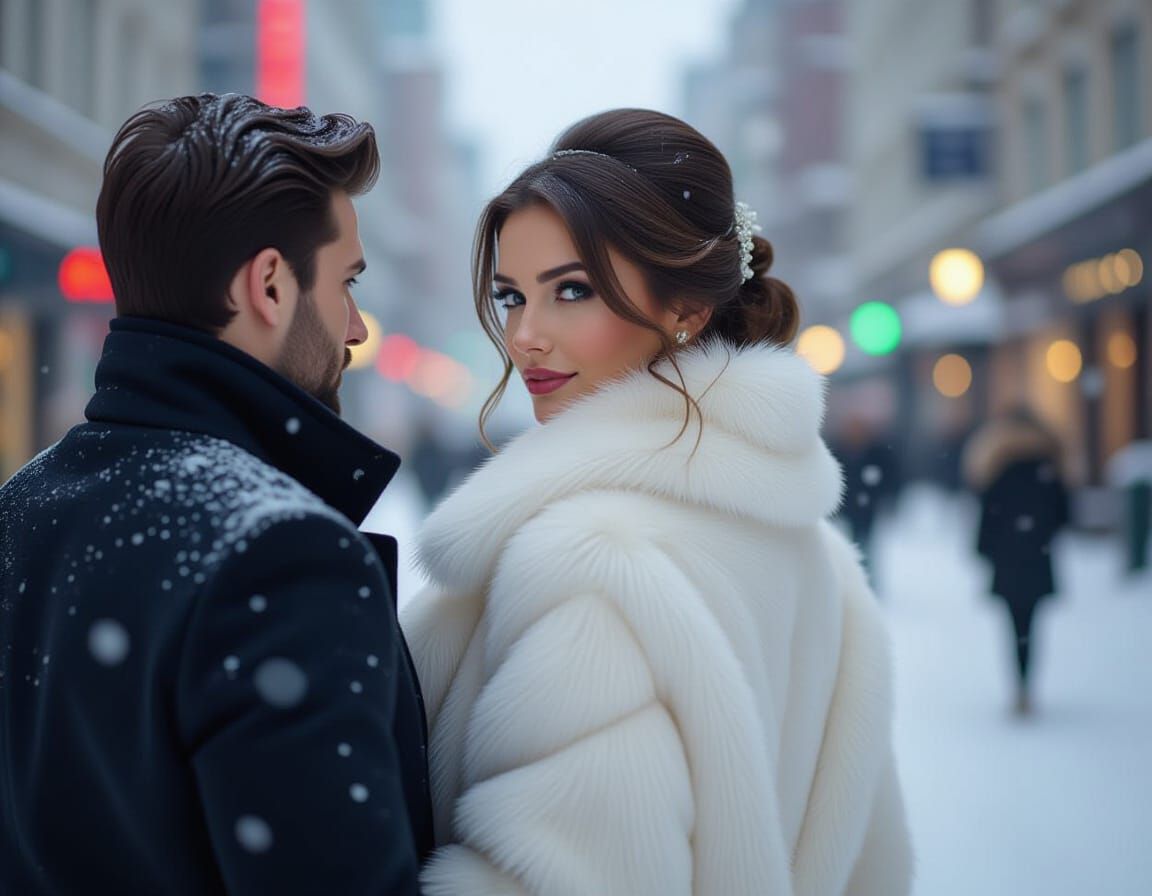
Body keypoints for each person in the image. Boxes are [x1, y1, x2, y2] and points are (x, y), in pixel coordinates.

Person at [400, 109, 912, 895]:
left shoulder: (591, 564)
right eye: (510, 297)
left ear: (686, 309)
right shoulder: (822, 565)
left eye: (571, 291)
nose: (525, 335)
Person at [0, 94, 431, 894]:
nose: (356, 328)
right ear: (269, 285)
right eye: (347, 283)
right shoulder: (278, 555)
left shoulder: (21, 507)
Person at [965, 406, 1070, 717]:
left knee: (1014, 623)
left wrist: (985, 550)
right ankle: (1027, 683)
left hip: (1008, 561)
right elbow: (1064, 516)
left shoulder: (998, 467)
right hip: (1038, 558)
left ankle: (1019, 685)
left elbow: (986, 518)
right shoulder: (1049, 467)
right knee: (1031, 623)